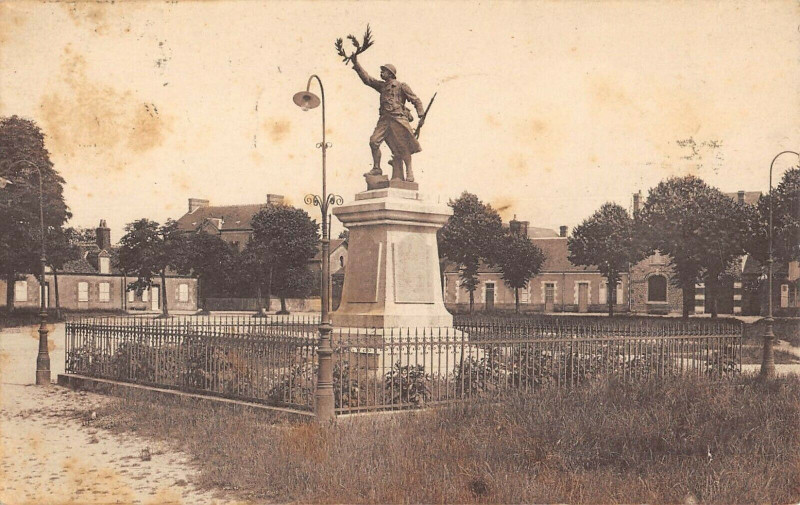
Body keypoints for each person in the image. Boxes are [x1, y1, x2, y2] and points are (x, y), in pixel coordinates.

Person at [351, 55, 425, 182]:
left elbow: (416, 100)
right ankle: (376, 168)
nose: (381, 73)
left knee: (403, 147)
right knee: (374, 141)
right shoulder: (382, 86)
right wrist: (356, 64)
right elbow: (367, 79)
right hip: (384, 120)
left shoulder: (402, 86)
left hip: (398, 118)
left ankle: (409, 171)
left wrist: (421, 114)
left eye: (383, 71)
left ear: (390, 74)